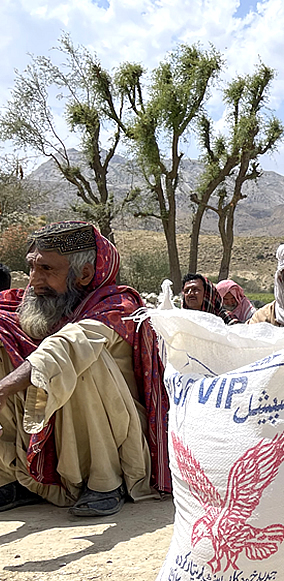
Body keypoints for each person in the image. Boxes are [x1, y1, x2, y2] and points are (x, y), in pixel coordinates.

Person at [0, 221, 169, 516]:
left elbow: (67, 345)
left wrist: (3, 388)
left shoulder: (117, 306)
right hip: (52, 421)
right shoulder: (39, 306)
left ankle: (105, 482)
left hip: (116, 434)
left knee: (83, 356)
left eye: (47, 269)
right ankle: (17, 477)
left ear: (85, 274)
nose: (34, 280)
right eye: (32, 267)